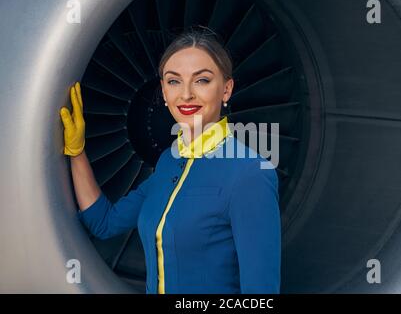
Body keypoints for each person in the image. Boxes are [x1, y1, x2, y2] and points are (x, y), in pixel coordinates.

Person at [59, 27, 281, 294]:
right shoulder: (169, 162)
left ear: (226, 89)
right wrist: (77, 151)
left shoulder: (250, 173)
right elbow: (105, 223)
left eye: (202, 80)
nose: (186, 94)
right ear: (163, 92)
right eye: (174, 81)